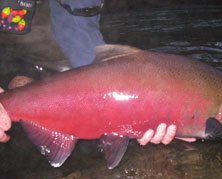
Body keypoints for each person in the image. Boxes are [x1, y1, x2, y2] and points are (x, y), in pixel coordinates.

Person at [0, 0, 196, 145]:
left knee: (71, 82)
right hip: (10, 41)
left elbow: (81, 38)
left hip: (45, 44)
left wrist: (149, 109)